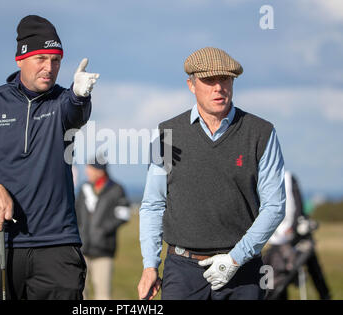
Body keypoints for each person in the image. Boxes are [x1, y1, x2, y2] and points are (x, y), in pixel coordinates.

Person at [0, 15, 100, 300]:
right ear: (20, 59)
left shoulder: (64, 102)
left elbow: (76, 114)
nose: (50, 67)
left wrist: (80, 95)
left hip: (57, 246)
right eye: (41, 58)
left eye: (56, 60)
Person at [137, 47, 286, 300]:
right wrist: (150, 265)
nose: (219, 88)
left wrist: (235, 259)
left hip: (243, 270)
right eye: (209, 81)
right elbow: (153, 205)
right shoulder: (166, 133)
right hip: (182, 271)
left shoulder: (261, 133)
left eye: (225, 79)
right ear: (191, 85)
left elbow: (274, 206)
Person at [264, 171, 331, 300]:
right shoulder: (265, 180)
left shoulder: (288, 178)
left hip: (294, 236)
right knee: (278, 273)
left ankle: (325, 295)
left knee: (310, 266)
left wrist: (293, 227)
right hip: (277, 239)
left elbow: (298, 204)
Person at [75, 157, 131, 299]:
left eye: (90, 168)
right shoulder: (84, 188)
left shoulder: (117, 189)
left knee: (103, 294)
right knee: (80, 292)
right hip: (82, 250)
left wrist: (103, 230)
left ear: (100, 171)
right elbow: (76, 214)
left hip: (103, 250)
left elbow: (123, 215)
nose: (87, 171)